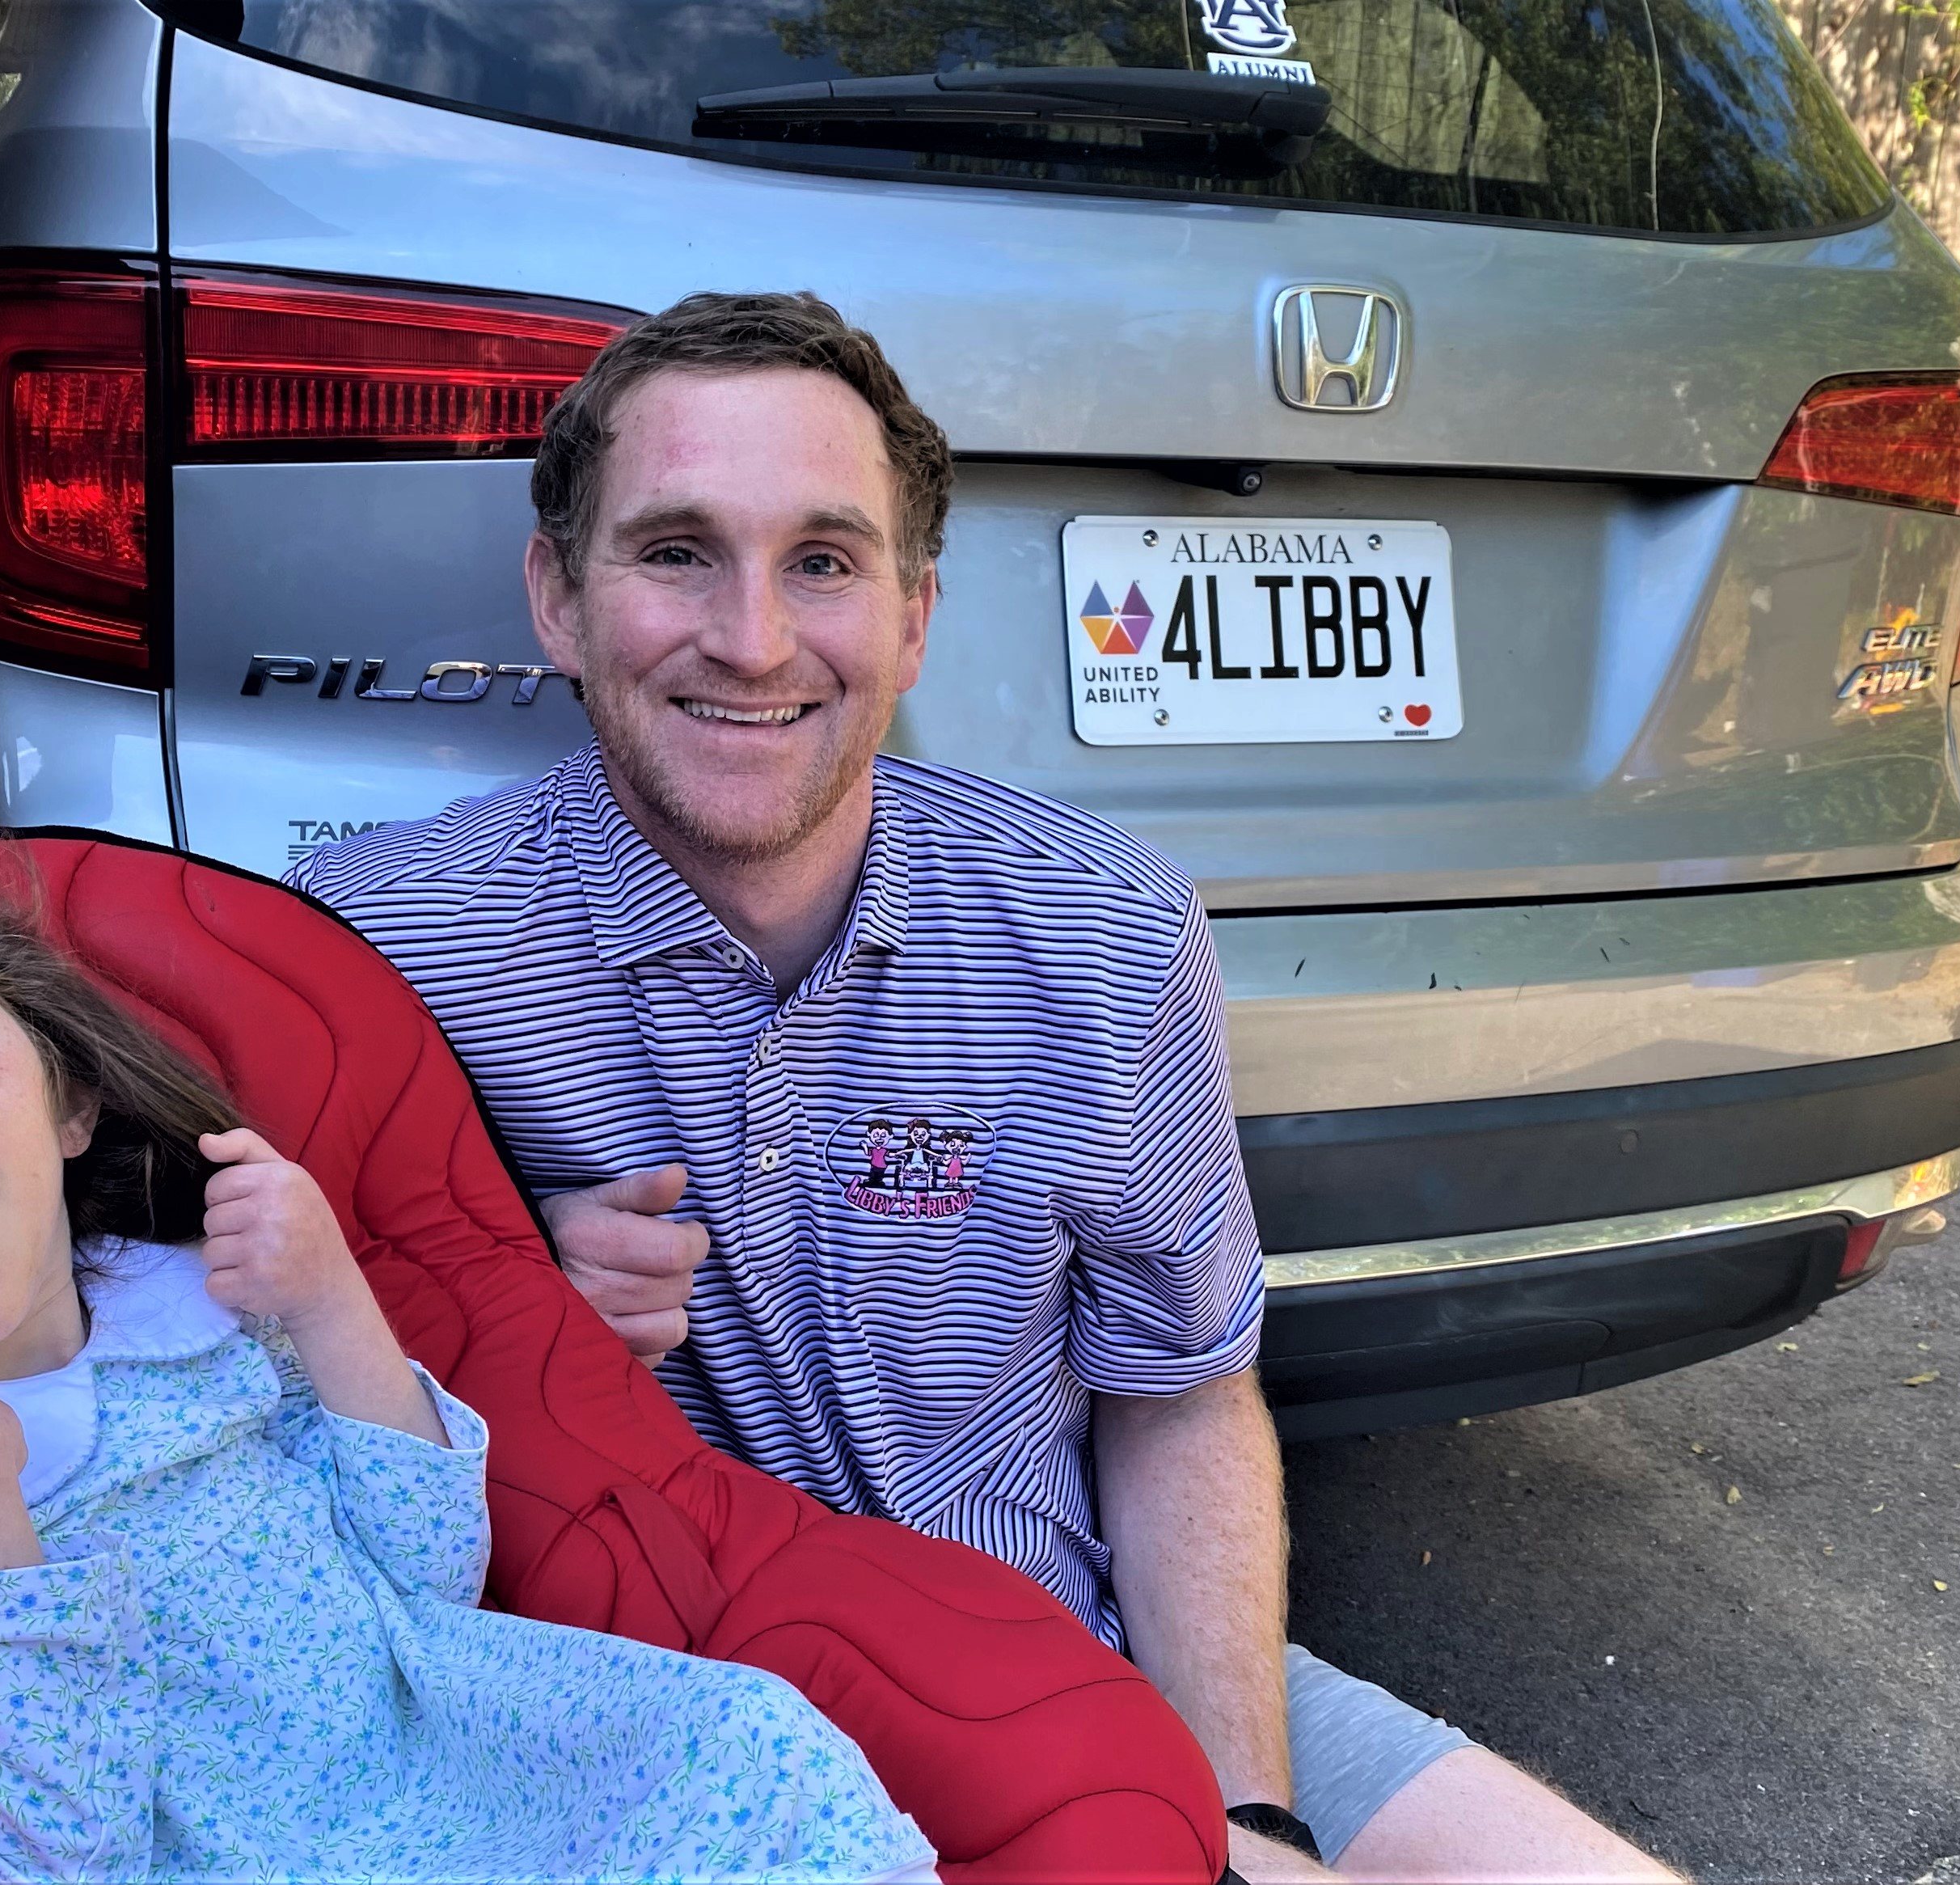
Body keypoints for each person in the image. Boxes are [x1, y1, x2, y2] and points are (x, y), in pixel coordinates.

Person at [302, 293, 1682, 1883]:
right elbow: (205, 1399)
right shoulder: (376, 948)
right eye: (676, 549)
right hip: (654, 1757)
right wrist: (480, 1292)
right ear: (555, 592)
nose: (751, 635)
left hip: (1074, 1661)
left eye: (822, 560)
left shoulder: (1103, 933)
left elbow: (1175, 1394)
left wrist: (1234, 1817)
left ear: (912, 618)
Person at [0, 797, 936, 1885]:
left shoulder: (187, 1296)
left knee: (747, 1746)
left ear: (70, 1106)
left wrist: (330, 1299)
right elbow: (55, 1849)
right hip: (220, 1856)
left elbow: (426, 1573)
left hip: (451, 1760)